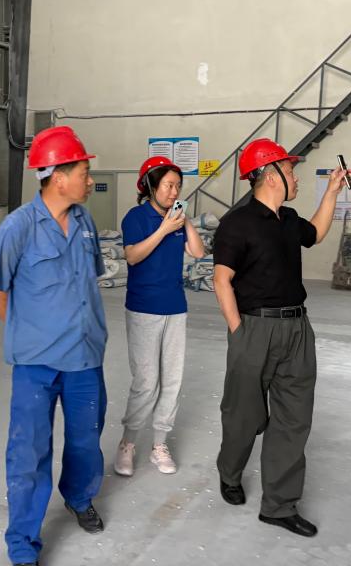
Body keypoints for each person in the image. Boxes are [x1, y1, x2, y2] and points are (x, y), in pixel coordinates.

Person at [0, 126, 108, 566]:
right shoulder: (17, 227)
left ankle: (78, 497)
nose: (90, 181)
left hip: (85, 357)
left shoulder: (85, 222)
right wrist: (30, 330)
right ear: (59, 178)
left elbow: (89, 279)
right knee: (29, 452)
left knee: (86, 440)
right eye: (84, 172)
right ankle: (23, 544)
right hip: (36, 364)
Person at [211, 138, 351, 537]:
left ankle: (279, 505)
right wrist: (239, 333)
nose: (296, 178)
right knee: (244, 416)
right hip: (255, 328)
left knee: (293, 419)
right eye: (290, 171)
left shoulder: (288, 219)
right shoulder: (237, 223)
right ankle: (230, 472)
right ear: (270, 176)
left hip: (296, 329)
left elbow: (316, 233)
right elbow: (221, 280)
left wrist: (332, 192)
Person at [113, 156, 205, 477]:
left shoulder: (178, 220)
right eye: (168, 185)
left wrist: (184, 220)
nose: (174, 191)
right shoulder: (136, 217)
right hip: (143, 308)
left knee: (172, 380)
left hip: (175, 308)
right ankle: (128, 443)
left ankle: (159, 445)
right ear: (151, 186)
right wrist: (164, 229)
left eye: (178, 186)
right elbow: (132, 256)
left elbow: (198, 252)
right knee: (146, 381)